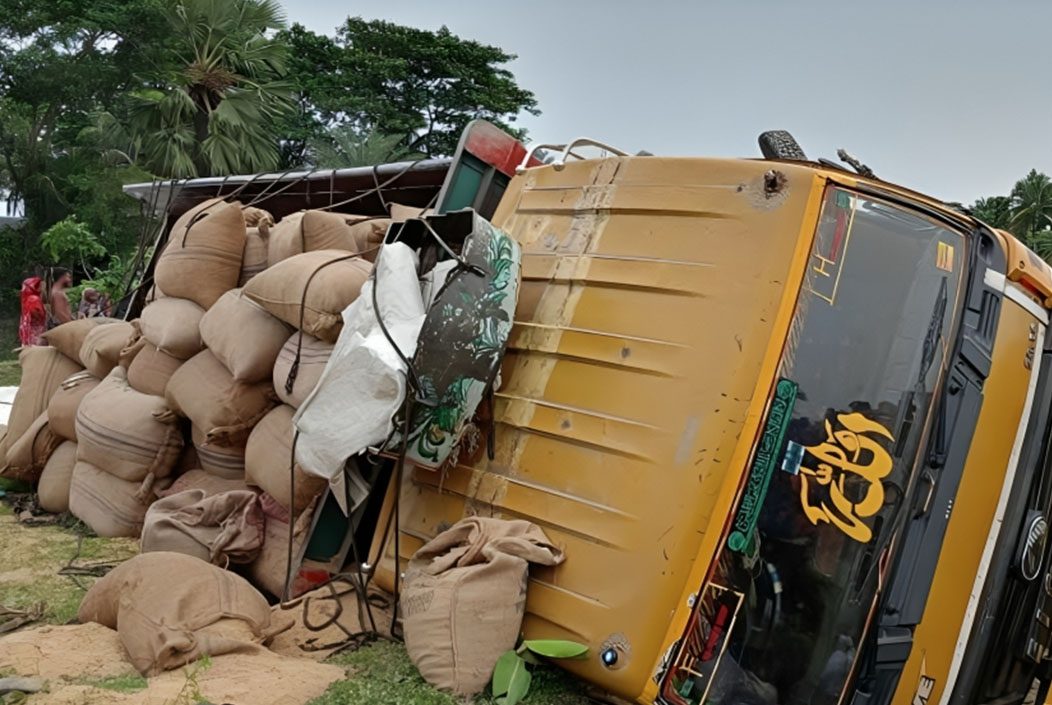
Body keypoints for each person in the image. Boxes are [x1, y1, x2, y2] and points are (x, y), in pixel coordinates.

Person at [18, 276, 46, 346]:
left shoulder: (26, 298)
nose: (41, 288)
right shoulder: (34, 299)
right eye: (39, 286)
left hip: (28, 334)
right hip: (35, 334)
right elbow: (37, 315)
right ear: (33, 287)